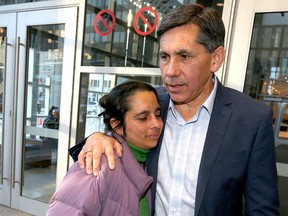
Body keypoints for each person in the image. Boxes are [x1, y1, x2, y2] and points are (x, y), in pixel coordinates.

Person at [70, 4, 279, 215]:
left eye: (184, 56)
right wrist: (98, 137)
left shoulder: (252, 118)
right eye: (164, 57)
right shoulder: (150, 106)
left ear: (216, 58)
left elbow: (262, 209)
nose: (170, 71)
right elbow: (117, 138)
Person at [47, 81, 163, 215]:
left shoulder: (142, 159)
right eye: (143, 118)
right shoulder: (97, 165)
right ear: (117, 125)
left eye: (158, 115)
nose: (156, 124)